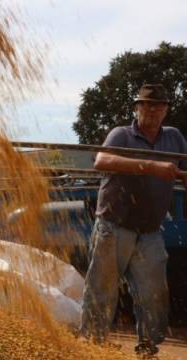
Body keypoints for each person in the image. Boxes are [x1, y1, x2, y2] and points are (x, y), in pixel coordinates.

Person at [79, 84, 187, 357]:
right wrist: (150, 167)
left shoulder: (174, 138)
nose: (151, 110)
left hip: (150, 231)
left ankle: (148, 348)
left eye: (157, 106)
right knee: (101, 290)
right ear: (136, 108)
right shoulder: (122, 134)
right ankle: (92, 347)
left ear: (165, 110)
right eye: (146, 105)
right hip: (114, 227)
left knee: (154, 295)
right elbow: (101, 161)